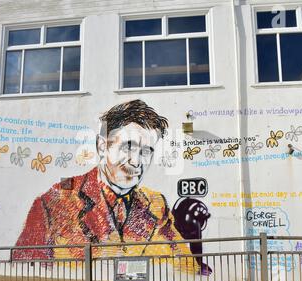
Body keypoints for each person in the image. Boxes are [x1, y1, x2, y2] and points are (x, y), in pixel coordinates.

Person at [13, 100, 194, 268]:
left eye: (146, 151)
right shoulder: (56, 200)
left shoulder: (155, 204)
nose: (136, 161)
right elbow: (23, 274)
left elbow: (185, 266)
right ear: (102, 147)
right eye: (128, 147)